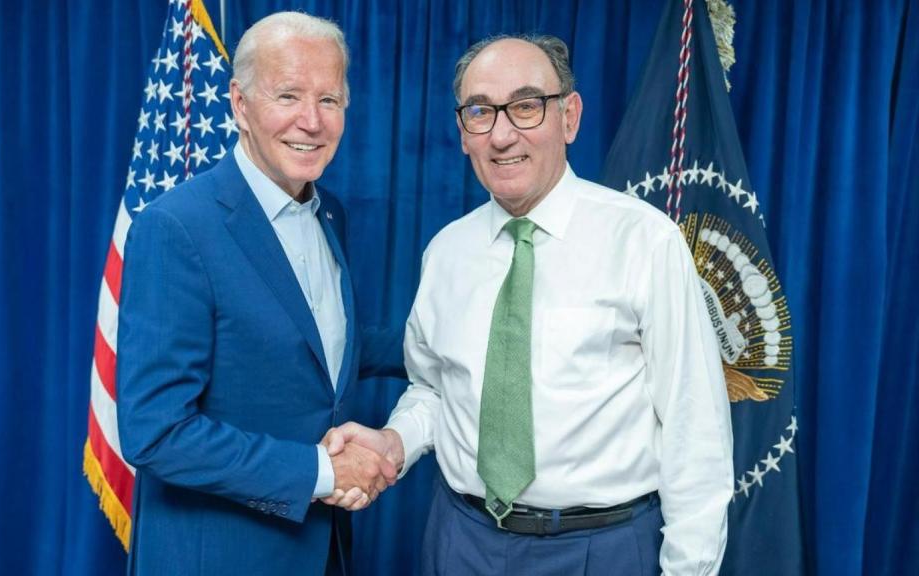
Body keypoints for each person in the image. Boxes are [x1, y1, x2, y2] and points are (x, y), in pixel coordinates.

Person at [325, 35, 734, 575]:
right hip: (460, 540)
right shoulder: (447, 252)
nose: (501, 134)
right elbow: (435, 388)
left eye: (525, 106)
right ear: (462, 133)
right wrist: (394, 441)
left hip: (601, 548)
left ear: (569, 116)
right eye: (480, 112)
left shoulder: (644, 240)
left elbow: (694, 424)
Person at [116, 12, 401, 576]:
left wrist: (449, 341)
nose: (311, 121)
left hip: (323, 551)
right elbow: (157, 432)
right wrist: (321, 473)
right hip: (220, 556)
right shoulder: (177, 229)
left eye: (330, 99)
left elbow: (316, 347)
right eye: (288, 95)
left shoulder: (329, 213)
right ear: (240, 104)